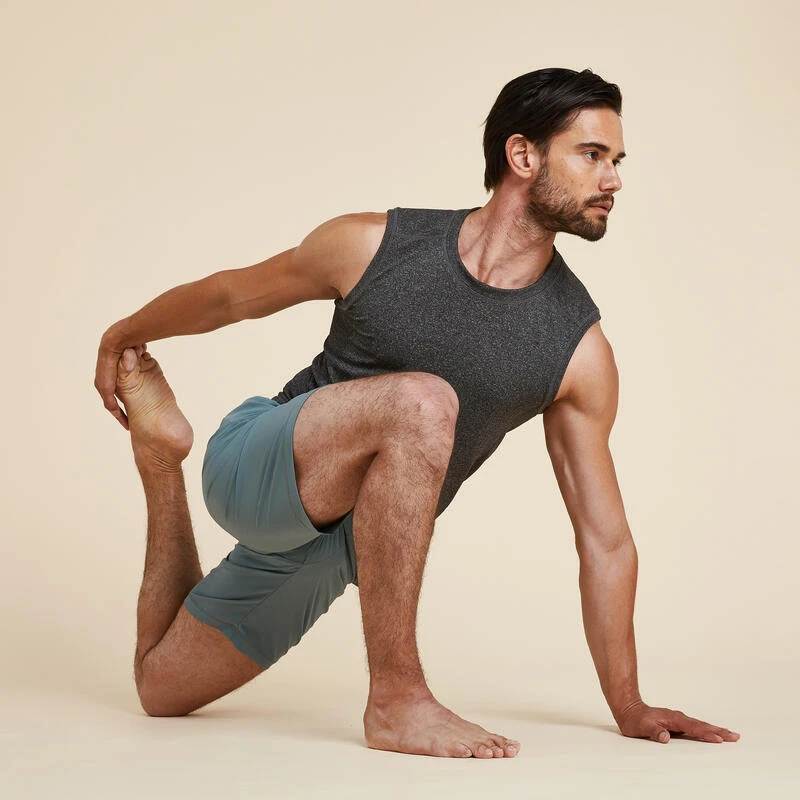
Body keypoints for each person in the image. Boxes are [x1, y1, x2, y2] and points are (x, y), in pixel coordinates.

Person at [94, 67, 741, 758]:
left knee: (160, 690)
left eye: (617, 161)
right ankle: (397, 699)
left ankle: (159, 459)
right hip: (262, 464)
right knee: (424, 401)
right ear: (523, 155)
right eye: (592, 155)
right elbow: (232, 296)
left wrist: (629, 703)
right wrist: (123, 335)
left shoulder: (578, 351)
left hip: (344, 549)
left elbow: (604, 540)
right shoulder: (375, 244)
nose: (613, 180)